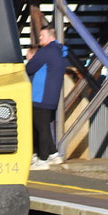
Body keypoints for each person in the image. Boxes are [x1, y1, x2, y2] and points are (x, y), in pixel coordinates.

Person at [25, 26, 68, 170]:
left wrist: (29, 61)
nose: (40, 38)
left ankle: (42, 159)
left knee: (40, 128)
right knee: (44, 126)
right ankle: (53, 154)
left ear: (50, 36)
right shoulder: (60, 52)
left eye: (42, 35)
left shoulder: (46, 51)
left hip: (39, 95)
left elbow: (29, 68)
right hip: (52, 96)